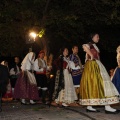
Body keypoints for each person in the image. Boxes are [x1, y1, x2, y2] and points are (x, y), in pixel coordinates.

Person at [79, 33, 119, 114]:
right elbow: (84, 46)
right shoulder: (89, 44)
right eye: (97, 36)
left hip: (97, 65)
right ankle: (101, 107)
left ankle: (98, 106)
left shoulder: (94, 46)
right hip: (92, 66)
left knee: (100, 84)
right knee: (96, 84)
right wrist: (91, 55)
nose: (98, 38)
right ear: (92, 37)